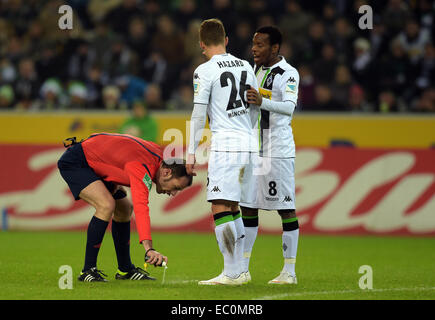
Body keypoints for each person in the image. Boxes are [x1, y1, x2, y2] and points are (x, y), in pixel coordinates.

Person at [57, 133, 193, 282]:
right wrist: (149, 249)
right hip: (77, 162)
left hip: (95, 164)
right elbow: (142, 208)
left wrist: (114, 179)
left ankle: (125, 269)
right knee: (106, 204)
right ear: (167, 172)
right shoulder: (143, 168)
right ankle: (87, 270)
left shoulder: (157, 158)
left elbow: (121, 151)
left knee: (125, 209)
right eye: (176, 187)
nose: (173, 193)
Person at [186, 18, 259, 285]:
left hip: (226, 144)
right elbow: (254, 108)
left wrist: (191, 151)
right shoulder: (247, 67)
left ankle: (230, 272)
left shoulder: (204, 71)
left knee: (219, 205)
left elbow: (198, 113)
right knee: (233, 205)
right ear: (226, 40)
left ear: (202, 44)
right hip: (249, 142)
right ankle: (241, 269)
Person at [239, 26, 300, 284]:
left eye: (261, 44)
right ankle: (242, 269)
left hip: (278, 152)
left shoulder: (288, 73)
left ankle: (289, 272)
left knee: (285, 209)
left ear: (275, 48)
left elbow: (288, 107)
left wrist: (261, 101)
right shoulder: (255, 70)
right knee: (248, 206)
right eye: (254, 44)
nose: (254, 48)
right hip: (256, 150)